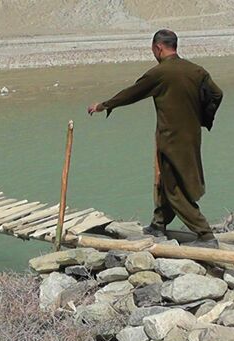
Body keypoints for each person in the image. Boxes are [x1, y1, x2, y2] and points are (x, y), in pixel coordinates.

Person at [87, 29, 223, 248]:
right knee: (166, 181)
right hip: (191, 137)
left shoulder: (159, 73)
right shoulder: (197, 71)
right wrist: (203, 118)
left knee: (174, 189)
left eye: (153, 49)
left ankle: (205, 235)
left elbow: (131, 93)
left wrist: (103, 105)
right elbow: (216, 94)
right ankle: (159, 224)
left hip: (170, 139)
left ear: (158, 47)